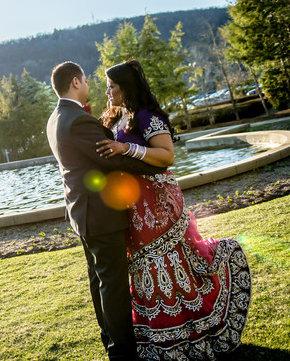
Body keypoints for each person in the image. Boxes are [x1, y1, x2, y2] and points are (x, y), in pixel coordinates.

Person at [95, 59, 251, 360]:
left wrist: (126, 148)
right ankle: (159, 339)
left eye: (112, 86)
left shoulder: (146, 116)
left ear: (125, 87)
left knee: (166, 263)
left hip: (157, 202)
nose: (107, 90)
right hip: (132, 206)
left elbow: (167, 156)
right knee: (144, 266)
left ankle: (192, 334)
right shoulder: (115, 116)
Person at [47, 61, 166, 361]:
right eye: (86, 80)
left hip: (82, 215)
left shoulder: (55, 118)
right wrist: (154, 165)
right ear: (75, 82)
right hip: (100, 215)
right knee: (113, 285)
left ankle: (111, 341)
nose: (89, 86)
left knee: (99, 281)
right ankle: (123, 353)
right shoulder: (77, 119)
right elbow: (109, 159)